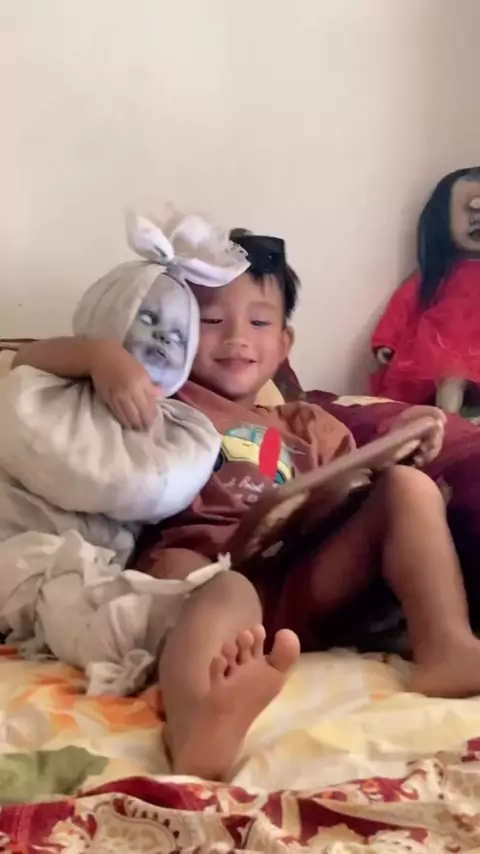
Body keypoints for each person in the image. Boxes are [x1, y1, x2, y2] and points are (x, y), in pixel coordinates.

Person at [14, 228, 480, 782]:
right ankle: (199, 724)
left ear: (284, 344)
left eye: (259, 323)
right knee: (223, 589)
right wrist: (102, 358)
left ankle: (446, 647)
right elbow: (28, 360)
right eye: (212, 321)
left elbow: (359, 498)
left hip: (303, 573)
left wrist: (403, 444)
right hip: (204, 568)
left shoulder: (307, 422)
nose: (237, 338)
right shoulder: (164, 397)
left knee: (406, 487)